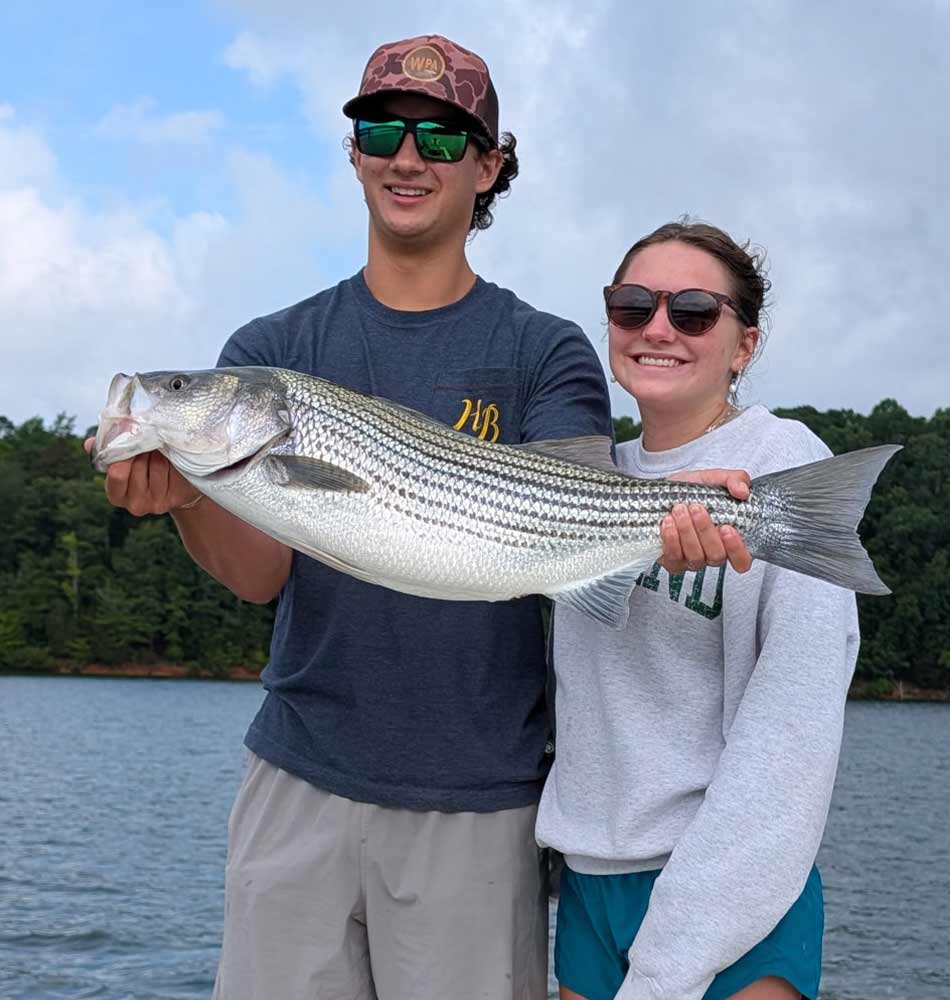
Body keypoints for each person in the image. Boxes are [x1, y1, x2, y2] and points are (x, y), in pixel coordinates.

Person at [86, 38, 751, 1000]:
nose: (408, 156)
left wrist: (673, 521)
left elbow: (578, 515)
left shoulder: (544, 348)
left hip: (478, 804)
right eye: (381, 131)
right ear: (353, 152)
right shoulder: (272, 348)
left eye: (441, 137)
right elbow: (261, 577)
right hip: (296, 781)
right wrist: (188, 495)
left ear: (488, 167)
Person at [536, 220, 860, 1000]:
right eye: (632, 305)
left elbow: (791, 740)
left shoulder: (781, 466)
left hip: (733, 887)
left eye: (692, 312)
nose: (657, 328)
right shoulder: (578, 480)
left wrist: (672, 961)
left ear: (744, 345)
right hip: (590, 878)